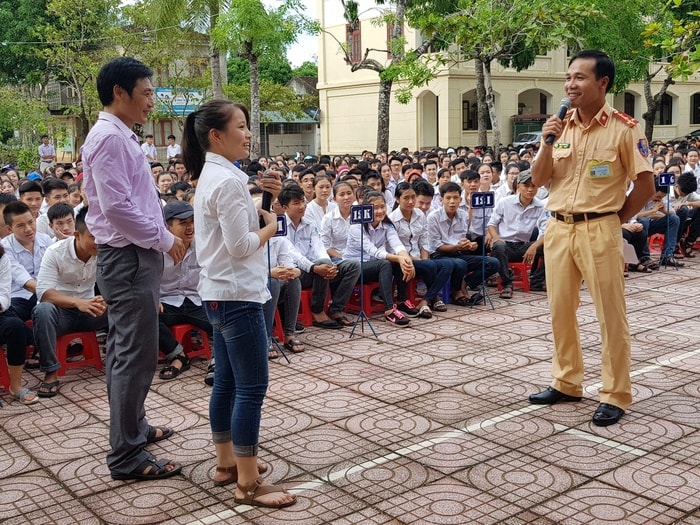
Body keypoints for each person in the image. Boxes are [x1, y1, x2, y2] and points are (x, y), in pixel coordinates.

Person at [528, 50, 655, 426]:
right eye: (568, 78)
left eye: (580, 77)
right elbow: (537, 180)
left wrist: (616, 219)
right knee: (560, 311)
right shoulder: (559, 126)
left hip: (600, 227)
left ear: (603, 83)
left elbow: (645, 184)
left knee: (609, 315)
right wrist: (547, 141)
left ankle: (615, 393)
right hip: (558, 227)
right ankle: (567, 381)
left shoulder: (624, 128)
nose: (571, 85)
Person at [183, 99, 296, 508]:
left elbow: (228, 227)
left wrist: (265, 201)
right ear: (216, 135)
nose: (248, 134)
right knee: (251, 388)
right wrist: (269, 225)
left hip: (219, 292)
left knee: (228, 383)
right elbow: (241, 244)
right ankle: (247, 484)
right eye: (242, 126)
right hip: (237, 295)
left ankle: (227, 462)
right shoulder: (226, 181)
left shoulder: (216, 176)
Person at [82, 57, 186, 481]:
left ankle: (136, 430)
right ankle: (126, 456)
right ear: (119, 93)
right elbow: (118, 208)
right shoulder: (108, 139)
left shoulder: (120, 136)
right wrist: (165, 238)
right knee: (132, 357)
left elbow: (134, 201)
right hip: (126, 258)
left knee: (135, 354)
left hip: (134, 256)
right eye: (146, 94)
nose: (151, 103)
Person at [32, 207, 108, 398]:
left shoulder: (107, 251)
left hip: (90, 312)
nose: (99, 242)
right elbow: (44, 292)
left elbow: (117, 284)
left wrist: (105, 300)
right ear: (77, 235)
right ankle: (50, 372)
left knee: (123, 305)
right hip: (61, 314)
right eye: (93, 237)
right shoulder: (55, 252)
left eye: (103, 235)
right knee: (43, 310)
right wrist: (77, 303)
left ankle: (122, 362)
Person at [157, 201, 213, 380]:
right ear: (168, 227)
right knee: (143, 317)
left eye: (192, 222)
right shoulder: (156, 251)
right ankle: (177, 355)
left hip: (196, 301)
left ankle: (218, 362)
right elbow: (146, 281)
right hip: (167, 303)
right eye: (183, 223)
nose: (190, 228)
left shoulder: (204, 245)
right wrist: (152, 300)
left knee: (225, 320)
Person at [344, 191, 415, 326]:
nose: (380, 211)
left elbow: (396, 244)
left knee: (400, 261)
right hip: (356, 267)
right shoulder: (356, 226)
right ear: (366, 208)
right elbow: (373, 251)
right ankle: (389, 310)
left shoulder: (387, 225)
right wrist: (398, 258)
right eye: (375, 207)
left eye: (382, 206)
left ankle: (402, 300)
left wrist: (406, 258)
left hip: (372, 264)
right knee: (386, 263)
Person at [0, 243, 39, 404]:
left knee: (15, 326)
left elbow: (4, 294)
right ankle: (38, 342)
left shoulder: (2, 257)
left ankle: (15, 386)